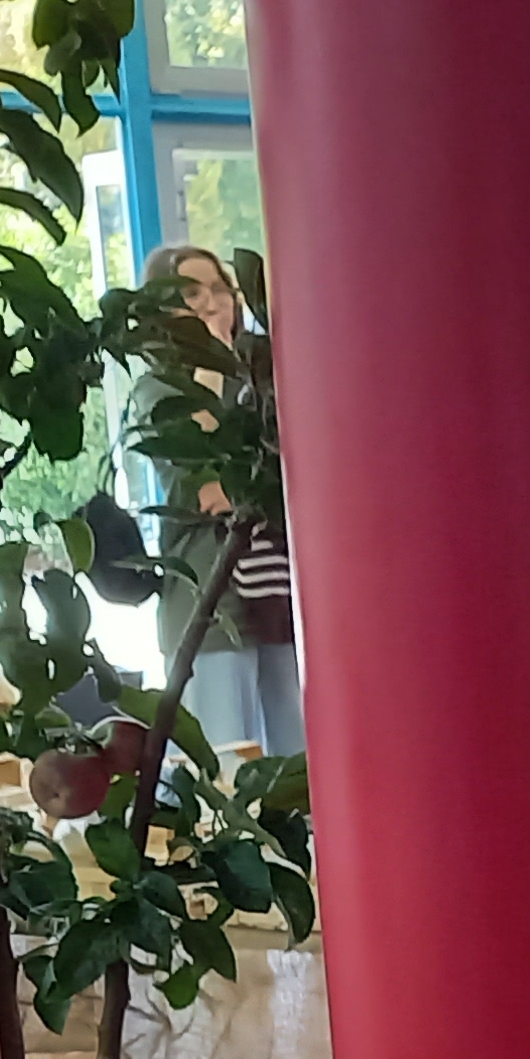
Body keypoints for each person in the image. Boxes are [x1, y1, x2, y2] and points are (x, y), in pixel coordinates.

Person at [131, 246, 303, 755]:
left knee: (301, 762)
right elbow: (207, 487)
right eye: (190, 294)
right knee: (224, 759)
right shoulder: (160, 388)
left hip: (278, 595)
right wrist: (209, 373)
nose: (210, 303)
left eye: (220, 289)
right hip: (210, 604)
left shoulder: (268, 375)